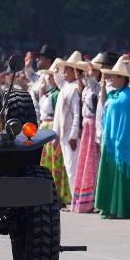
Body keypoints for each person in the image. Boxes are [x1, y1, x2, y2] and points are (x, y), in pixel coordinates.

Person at [95, 59, 130, 219]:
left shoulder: (127, 97)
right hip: (110, 141)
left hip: (123, 142)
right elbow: (104, 108)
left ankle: (122, 208)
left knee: (122, 173)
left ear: (123, 78)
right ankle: (110, 207)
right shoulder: (113, 95)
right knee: (111, 173)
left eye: (114, 77)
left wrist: (121, 141)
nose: (111, 79)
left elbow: (128, 122)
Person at [71, 54, 106, 213]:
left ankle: (93, 199)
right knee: (85, 161)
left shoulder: (98, 87)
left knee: (93, 162)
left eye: (92, 71)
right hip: (86, 126)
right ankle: (83, 199)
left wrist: (91, 76)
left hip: (93, 125)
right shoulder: (86, 87)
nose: (88, 73)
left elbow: (96, 91)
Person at [38, 58, 72, 206]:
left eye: (51, 76)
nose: (49, 79)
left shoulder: (58, 94)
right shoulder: (50, 92)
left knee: (56, 162)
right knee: (48, 163)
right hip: (44, 126)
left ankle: (58, 193)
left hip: (51, 126)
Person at [53, 51, 84, 194]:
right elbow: (56, 75)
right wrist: (56, 135)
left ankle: (77, 197)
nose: (64, 73)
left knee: (74, 167)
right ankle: (75, 196)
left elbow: (77, 113)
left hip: (71, 134)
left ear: (74, 71)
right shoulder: (65, 86)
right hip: (63, 133)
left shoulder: (76, 88)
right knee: (69, 166)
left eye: (67, 69)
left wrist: (73, 135)